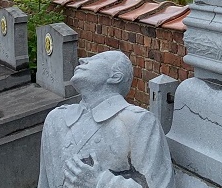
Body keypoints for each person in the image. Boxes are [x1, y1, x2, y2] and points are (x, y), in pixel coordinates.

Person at [37, 51, 174, 188]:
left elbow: (160, 185)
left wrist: (99, 182)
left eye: (96, 59)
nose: (82, 59)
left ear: (115, 77)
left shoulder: (139, 121)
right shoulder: (56, 119)